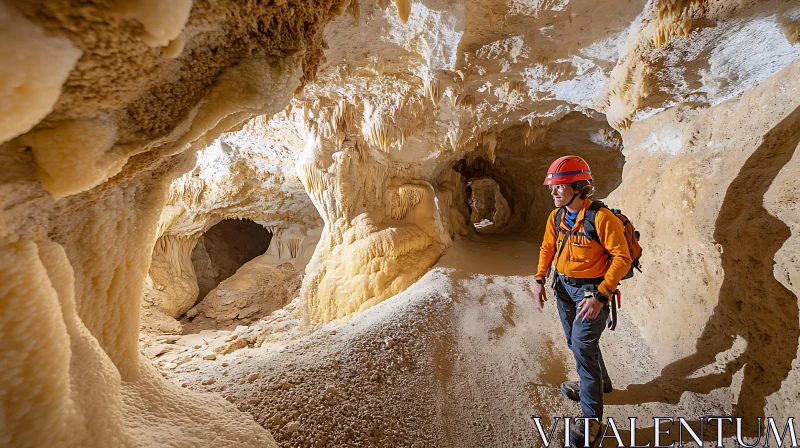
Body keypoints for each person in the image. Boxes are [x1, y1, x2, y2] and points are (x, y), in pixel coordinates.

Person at [532, 155, 632, 447]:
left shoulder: (602, 218)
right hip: (563, 286)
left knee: (583, 349)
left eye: (559, 187)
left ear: (578, 187)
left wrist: (602, 296)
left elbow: (622, 257)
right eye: (552, 188)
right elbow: (547, 247)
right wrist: (539, 279)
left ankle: (591, 421)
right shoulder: (557, 216)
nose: (553, 193)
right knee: (574, 342)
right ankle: (602, 383)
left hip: (591, 291)